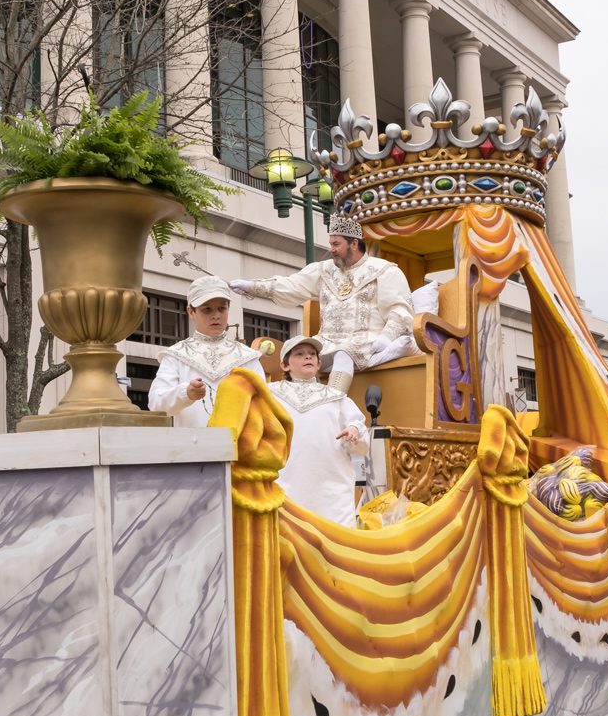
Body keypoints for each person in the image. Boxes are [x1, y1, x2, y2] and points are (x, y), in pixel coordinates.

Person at [230, 216, 414, 395]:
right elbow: (292, 285)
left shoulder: (384, 271)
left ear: (354, 243)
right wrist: (251, 287)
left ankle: (331, 404)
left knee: (344, 353)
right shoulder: (324, 270)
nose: (331, 249)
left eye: (336, 244)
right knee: (300, 356)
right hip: (326, 342)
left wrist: (387, 336)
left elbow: (399, 309)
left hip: (366, 340)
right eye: (330, 244)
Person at [269, 335, 369, 526]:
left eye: (312, 354)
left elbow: (362, 448)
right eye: (299, 354)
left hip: (331, 492)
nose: (308, 357)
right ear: (285, 365)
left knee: (335, 544)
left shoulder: (338, 398)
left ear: (319, 363)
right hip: (285, 483)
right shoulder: (270, 395)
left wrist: (354, 432)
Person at [148, 276, 266, 428]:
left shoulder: (247, 357)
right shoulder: (176, 355)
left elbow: (263, 406)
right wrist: (186, 393)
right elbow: (156, 404)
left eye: (221, 308)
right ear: (191, 312)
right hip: (191, 448)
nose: (216, 315)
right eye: (207, 309)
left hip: (239, 448)